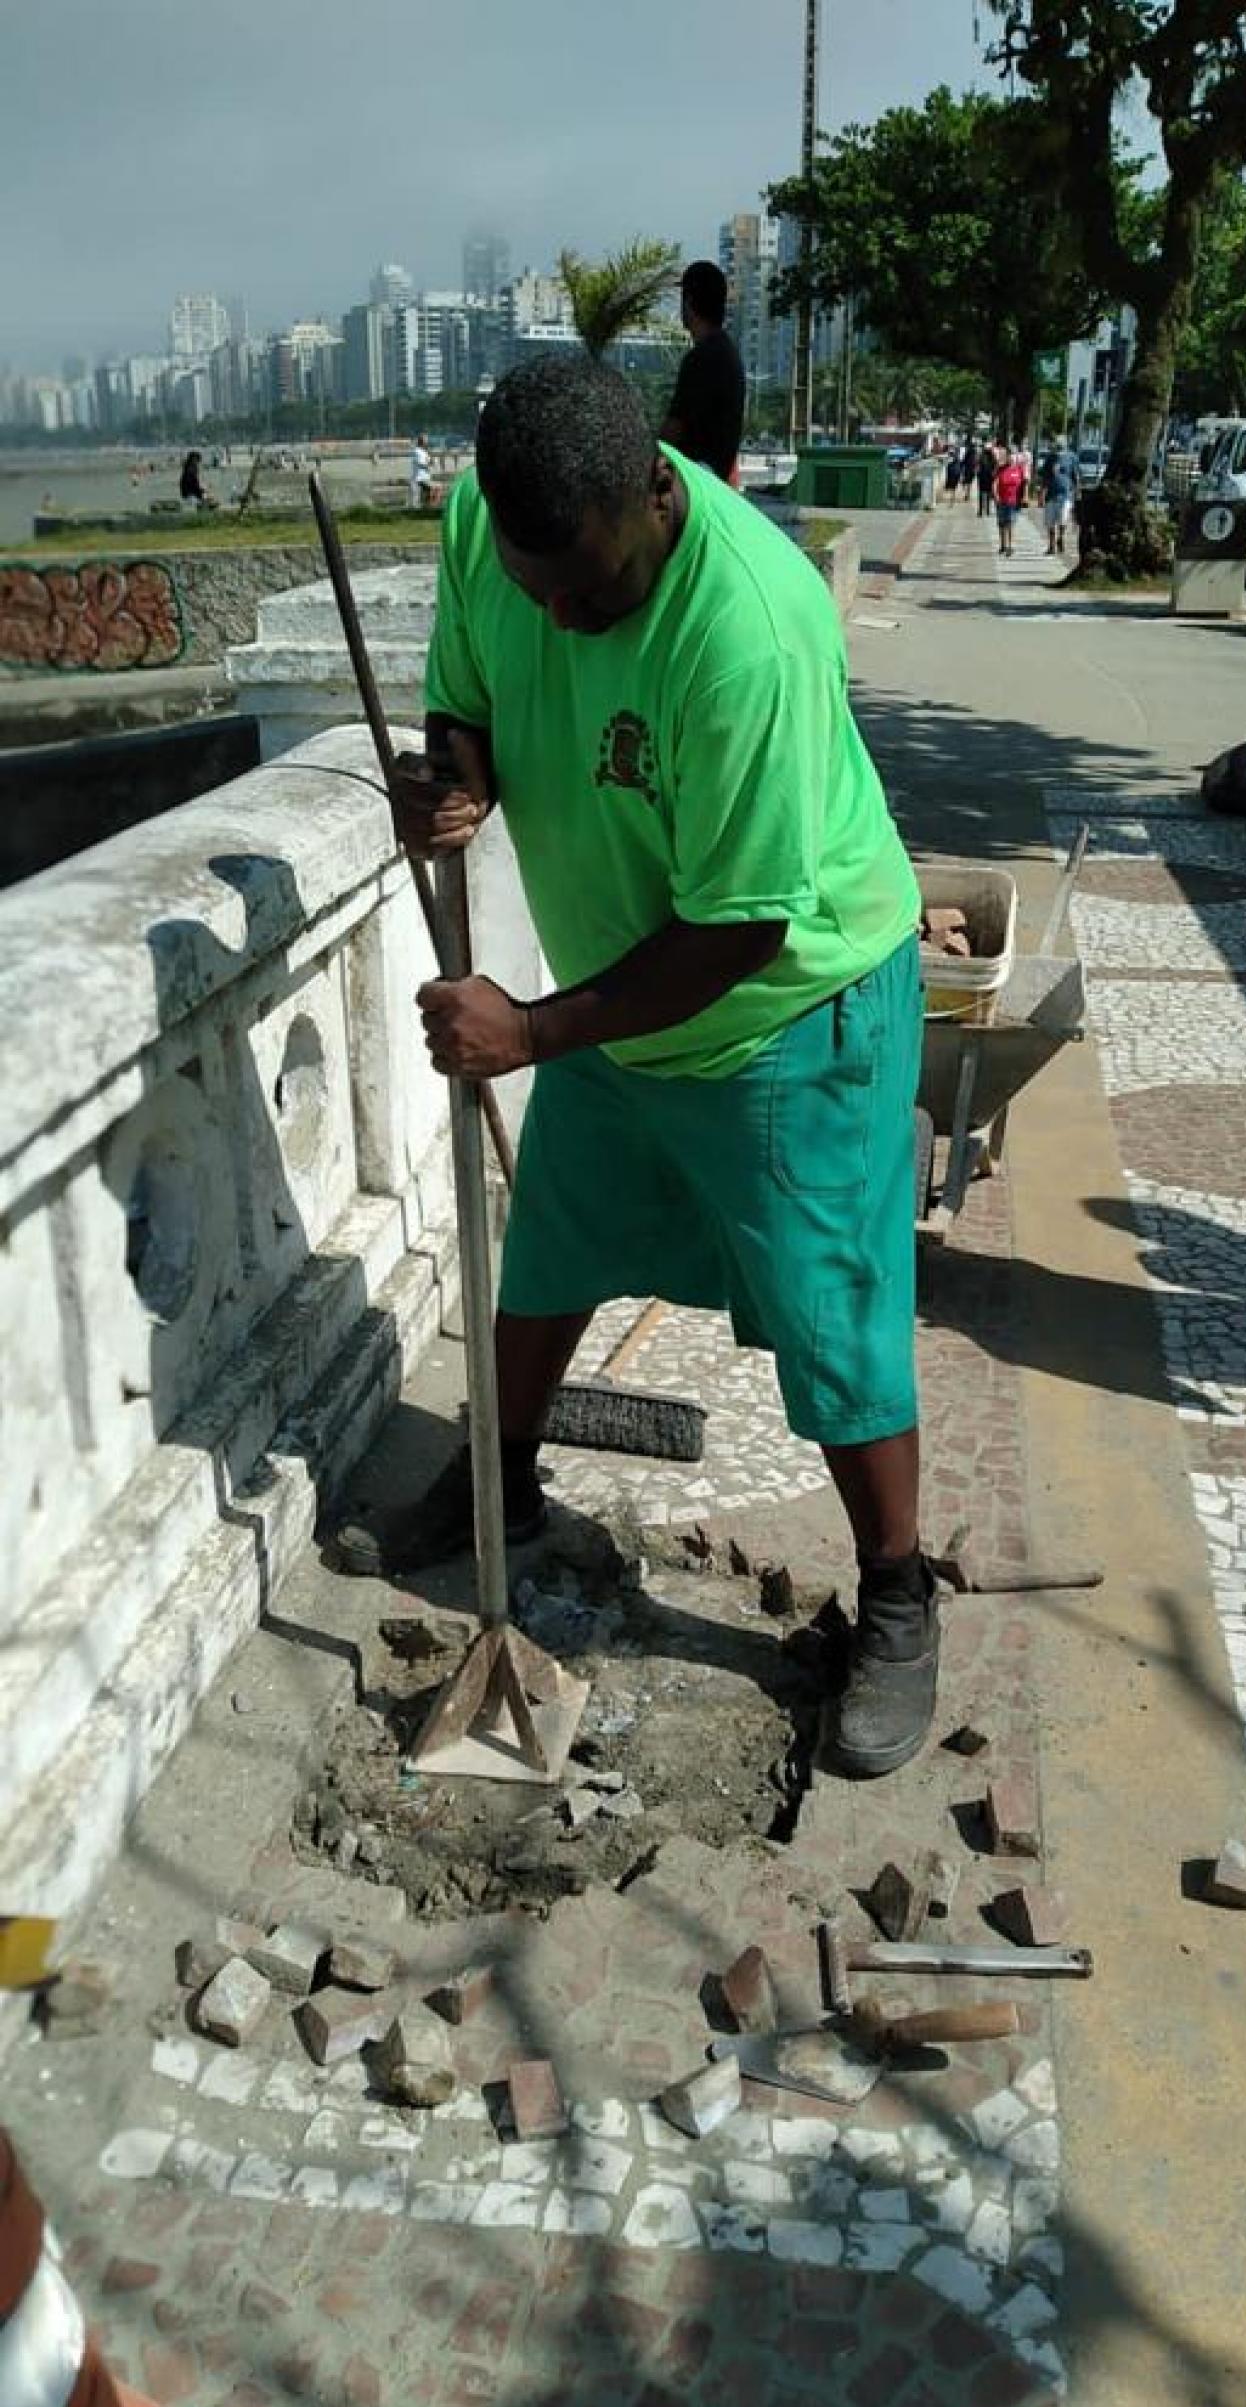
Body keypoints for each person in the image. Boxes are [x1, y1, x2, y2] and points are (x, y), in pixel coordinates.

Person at [369, 354, 952, 1780]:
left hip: (783, 1008)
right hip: (621, 995)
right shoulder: (492, 533)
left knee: (834, 1317)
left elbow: (741, 929)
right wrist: (454, 776)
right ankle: (500, 1483)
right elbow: (475, 708)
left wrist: (532, 1030)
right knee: (554, 1249)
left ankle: (894, 1595)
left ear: (657, 491)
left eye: (592, 587)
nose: (561, 615)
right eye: (538, 584)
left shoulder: (746, 628)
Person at [663, 261, 746, 483]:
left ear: (689, 303)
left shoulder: (700, 359)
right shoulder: (728, 353)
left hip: (695, 480)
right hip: (716, 479)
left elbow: (674, 429)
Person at [1038, 436, 1081, 557]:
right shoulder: (1050, 458)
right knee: (1050, 522)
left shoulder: (1072, 457)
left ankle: (1061, 537)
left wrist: (1078, 492)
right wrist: (1041, 494)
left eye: (1060, 446)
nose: (1058, 449)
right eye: (1056, 446)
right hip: (1051, 495)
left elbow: (1076, 476)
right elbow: (1045, 478)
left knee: (1063, 519)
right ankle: (1051, 546)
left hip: (1066, 495)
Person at [993, 444, 1023, 553]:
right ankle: (1002, 545)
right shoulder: (1000, 468)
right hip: (1001, 500)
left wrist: (1024, 498)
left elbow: (1023, 485)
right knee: (1002, 524)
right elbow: (995, 483)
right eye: (1009, 455)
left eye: (1013, 455)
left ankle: (1010, 546)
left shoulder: (1019, 469)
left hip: (1014, 501)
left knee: (1010, 523)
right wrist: (996, 496)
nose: (1011, 457)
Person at [410, 435, 434, 509]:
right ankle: (419, 508)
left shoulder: (425, 452)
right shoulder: (417, 451)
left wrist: (431, 462)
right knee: (418, 495)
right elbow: (420, 463)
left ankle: (426, 507)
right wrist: (428, 464)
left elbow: (430, 461)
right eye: (425, 440)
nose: (427, 442)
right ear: (421, 442)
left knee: (429, 491)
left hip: (426, 476)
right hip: (419, 477)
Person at [976, 440, 998, 519]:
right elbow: (995, 466)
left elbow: (995, 466)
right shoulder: (989, 456)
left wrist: (994, 474)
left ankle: (983, 510)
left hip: (986, 477)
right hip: (986, 477)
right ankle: (984, 510)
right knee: (985, 494)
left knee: (984, 494)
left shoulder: (985, 456)